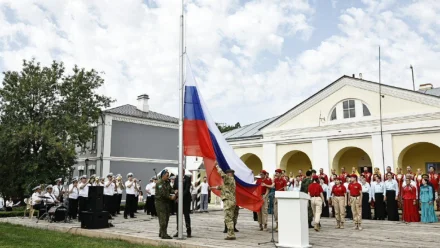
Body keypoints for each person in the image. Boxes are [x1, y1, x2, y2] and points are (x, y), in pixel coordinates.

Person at [211, 164, 237, 240]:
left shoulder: (229, 178)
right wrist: (213, 187)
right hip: (231, 201)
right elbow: (221, 187)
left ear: (230, 174)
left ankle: (231, 235)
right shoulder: (230, 182)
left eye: (227, 173)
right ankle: (231, 233)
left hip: (228, 201)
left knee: (228, 218)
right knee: (230, 217)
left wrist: (217, 166)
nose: (226, 174)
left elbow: (222, 174)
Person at [155, 170, 176, 239]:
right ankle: (164, 234)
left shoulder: (167, 182)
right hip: (160, 203)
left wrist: (174, 191)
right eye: (167, 176)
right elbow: (163, 194)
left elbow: (170, 189)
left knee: (166, 218)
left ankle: (161, 232)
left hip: (166, 203)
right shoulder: (159, 183)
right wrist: (171, 197)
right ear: (163, 175)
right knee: (163, 219)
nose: (168, 177)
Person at [172, 169, 192, 238]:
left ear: (183, 172)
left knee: (186, 215)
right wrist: (175, 191)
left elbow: (187, 190)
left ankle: (188, 231)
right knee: (178, 216)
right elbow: (174, 187)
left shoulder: (187, 178)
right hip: (178, 200)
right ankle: (178, 231)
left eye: (182, 171)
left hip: (185, 200)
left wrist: (180, 197)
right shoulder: (176, 178)